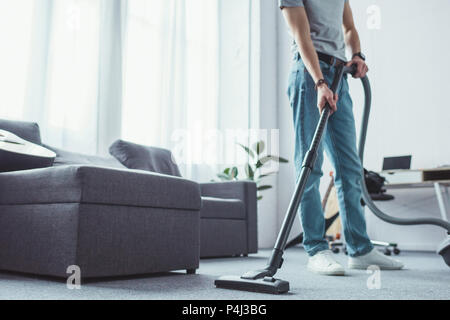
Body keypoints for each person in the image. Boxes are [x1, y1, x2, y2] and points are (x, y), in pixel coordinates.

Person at [280, 0, 404, 275]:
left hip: (340, 75)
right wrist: (319, 82)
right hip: (309, 75)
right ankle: (316, 249)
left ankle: (359, 249)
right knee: (309, 167)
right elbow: (301, 35)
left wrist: (357, 54)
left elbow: (349, 27)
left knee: (350, 168)